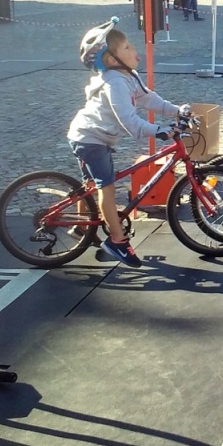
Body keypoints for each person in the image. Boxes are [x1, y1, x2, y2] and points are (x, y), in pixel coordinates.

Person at [68, 17, 189, 269]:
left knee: (91, 184)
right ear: (111, 60)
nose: (134, 50)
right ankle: (117, 241)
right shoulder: (115, 84)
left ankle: (82, 226)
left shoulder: (128, 77)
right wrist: (159, 131)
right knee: (106, 188)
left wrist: (177, 111)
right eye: (126, 48)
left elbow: (150, 100)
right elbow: (129, 122)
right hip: (91, 138)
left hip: (94, 136)